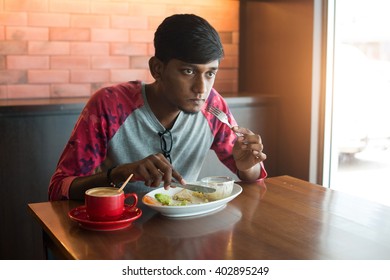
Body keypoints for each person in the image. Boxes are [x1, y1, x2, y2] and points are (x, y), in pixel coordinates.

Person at [48, 14, 267, 201]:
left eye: (210, 73)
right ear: (157, 69)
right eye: (188, 71)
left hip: (186, 230)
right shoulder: (110, 106)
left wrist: (247, 165)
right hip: (120, 231)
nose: (201, 88)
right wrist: (120, 173)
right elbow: (60, 188)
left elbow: (251, 176)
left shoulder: (212, 107)